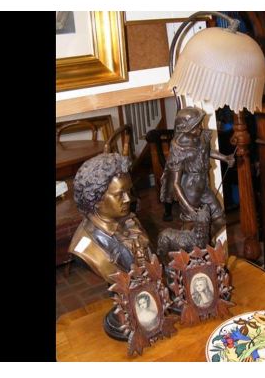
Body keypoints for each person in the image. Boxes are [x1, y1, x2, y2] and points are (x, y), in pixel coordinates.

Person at [68, 152, 153, 283]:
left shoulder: (129, 220)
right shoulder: (86, 247)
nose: (128, 199)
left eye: (128, 191)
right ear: (96, 199)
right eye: (119, 195)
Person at [160, 107, 235, 238]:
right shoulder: (178, 147)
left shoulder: (202, 137)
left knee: (220, 220)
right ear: (184, 129)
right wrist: (188, 207)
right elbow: (176, 183)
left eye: (199, 124)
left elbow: (207, 152)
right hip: (189, 190)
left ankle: (204, 242)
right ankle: (189, 252)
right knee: (190, 226)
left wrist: (225, 157)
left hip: (204, 187)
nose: (199, 128)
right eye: (195, 127)